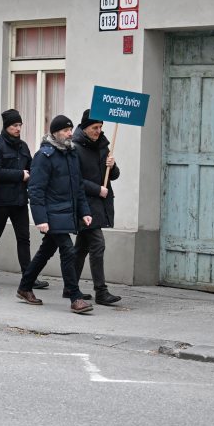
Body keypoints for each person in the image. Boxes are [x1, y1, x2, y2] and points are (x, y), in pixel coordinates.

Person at [17, 115, 94, 314]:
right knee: (68, 251)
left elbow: (78, 186)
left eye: (71, 130)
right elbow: (35, 189)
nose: (70, 134)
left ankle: (25, 287)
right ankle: (75, 297)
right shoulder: (44, 155)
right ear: (55, 132)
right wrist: (40, 218)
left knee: (46, 251)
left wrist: (84, 211)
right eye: (66, 131)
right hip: (52, 214)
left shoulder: (71, 154)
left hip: (66, 213)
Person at [0, 109, 49, 290]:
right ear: (7, 126)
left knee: (23, 238)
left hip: (19, 200)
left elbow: (31, 168)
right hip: (1, 200)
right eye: (14, 126)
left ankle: (29, 277)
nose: (18, 129)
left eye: (19, 125)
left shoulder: (23, 146)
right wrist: (21, 175)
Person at [72, 109, 122, 305]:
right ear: (85, 128)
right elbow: (75, 180)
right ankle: (101, 291)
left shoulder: (103, 146)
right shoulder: (75, 148)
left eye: (101, 127)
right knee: (97, 244)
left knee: (81, 249)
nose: (98, 131)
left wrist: (113, 164)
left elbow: (113, 176)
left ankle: (71, 288)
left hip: (100, 204)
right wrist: (96, 189)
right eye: (95, 127)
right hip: (85, 205)